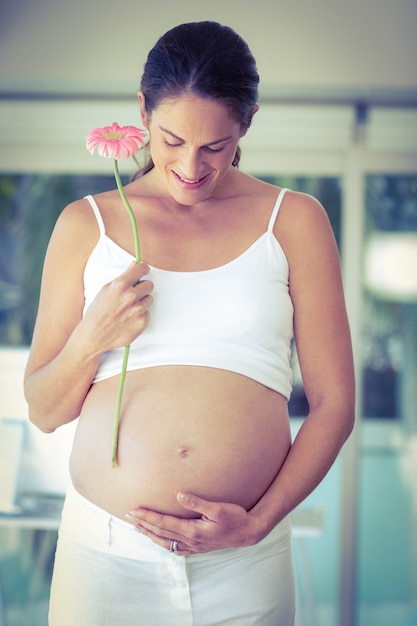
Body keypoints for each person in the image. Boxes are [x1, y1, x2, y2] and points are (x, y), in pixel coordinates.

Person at [24, 20, 355, 626]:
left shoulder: (296, 221)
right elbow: (44, 408)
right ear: (143, 110)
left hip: (245, 561)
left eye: (215, 146)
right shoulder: (85, 224)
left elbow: (335, 403)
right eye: (171, 139)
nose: (190, 166)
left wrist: (259, 523)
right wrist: (93, 337)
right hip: (103, 557)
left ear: (247, 123)